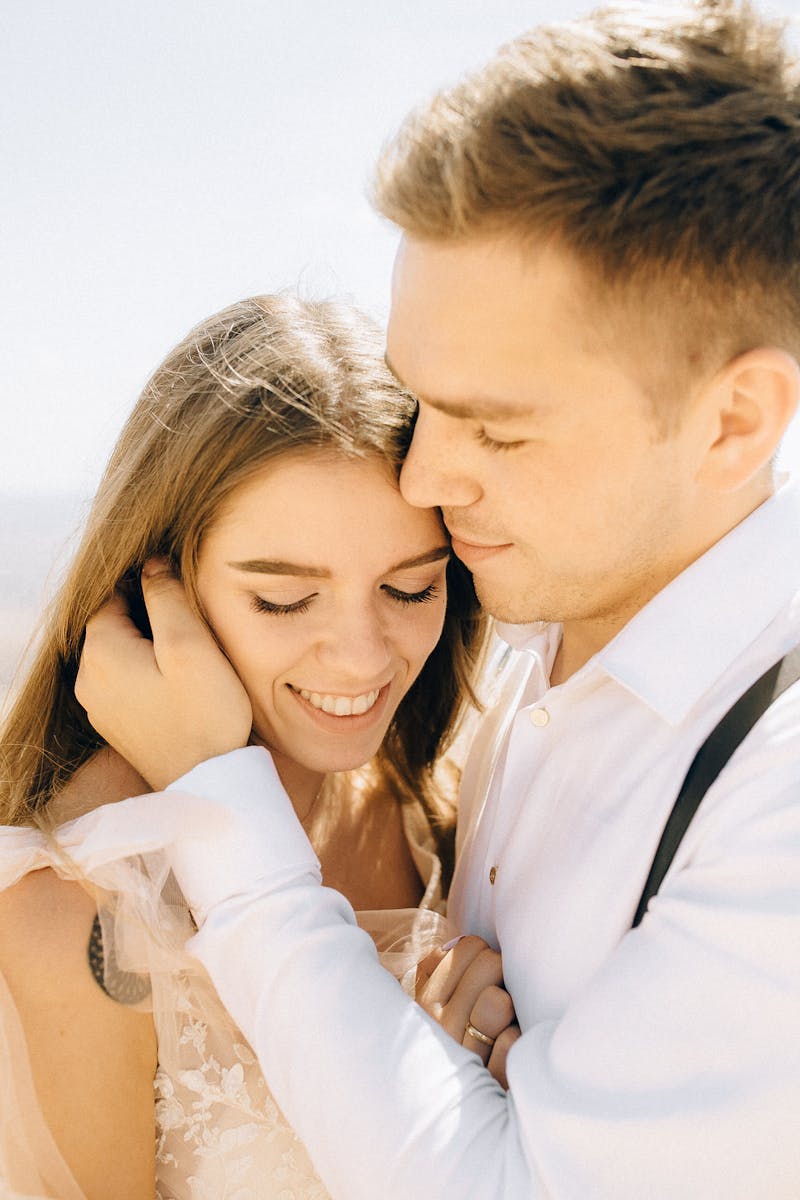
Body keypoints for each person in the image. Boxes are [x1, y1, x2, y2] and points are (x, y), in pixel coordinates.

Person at [73, 2, 800, 1197]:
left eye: (495, 430)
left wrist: (219, 811)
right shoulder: (516, 674)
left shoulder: (773, 789)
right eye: (423, 405)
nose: (420, 477)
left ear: (729, 424)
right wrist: (448, 1050)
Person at [0, 293, 513, 1199]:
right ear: (155, 588)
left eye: (409, 590)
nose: (361, 657)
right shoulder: (76, 904)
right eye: (283, 599)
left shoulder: (451, 800)